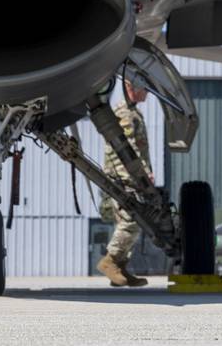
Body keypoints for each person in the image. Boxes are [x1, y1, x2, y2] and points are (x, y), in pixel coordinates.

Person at [96, 80, 153, 287]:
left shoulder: (132, 112)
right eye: (145, 89)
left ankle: (121, 267)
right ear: (131, 89)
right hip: (123, 177)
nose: (147, 94)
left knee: (129, 222)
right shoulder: (125, 114)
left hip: (129, 176)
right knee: (131, 220)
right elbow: (123, 149)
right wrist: (139, 175)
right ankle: (110, 261)